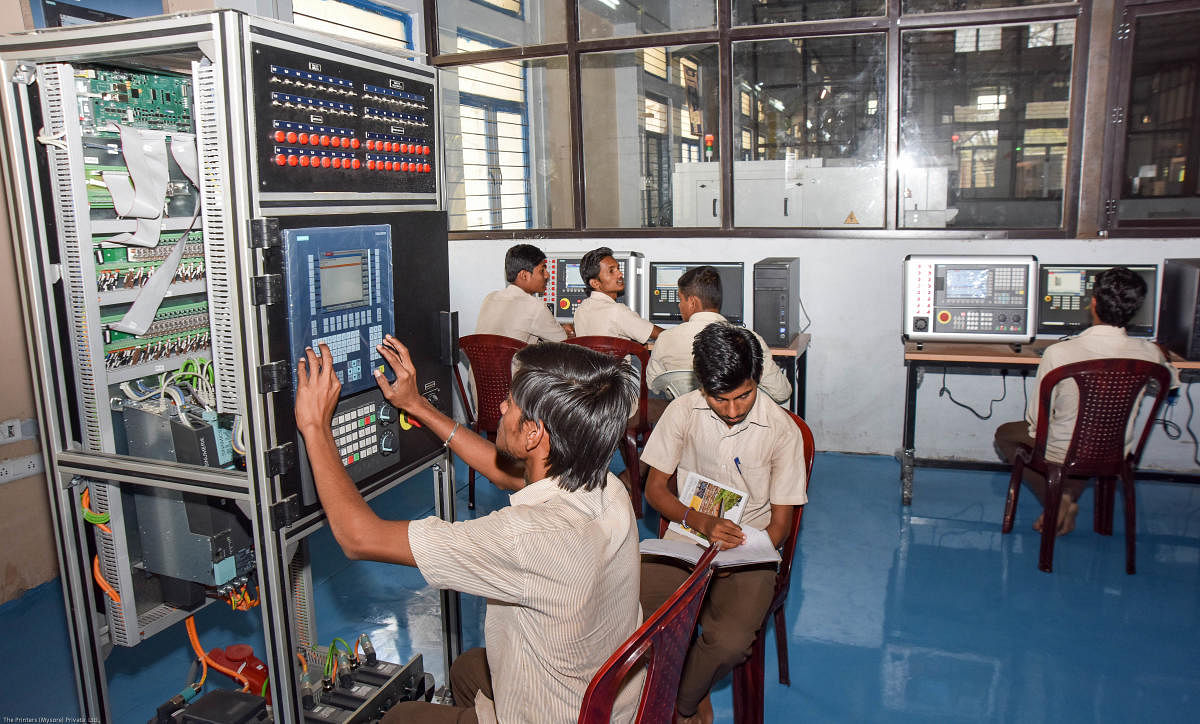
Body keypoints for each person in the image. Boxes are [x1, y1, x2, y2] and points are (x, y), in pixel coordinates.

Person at [294, 336, 643, 723]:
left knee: (401, 718)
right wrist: (417, 406)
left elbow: (359, 536)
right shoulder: (607, 488)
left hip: (557, 714)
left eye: (511, 400)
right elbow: (500, 470)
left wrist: (314, 425)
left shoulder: (527, 538)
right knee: (465, 671)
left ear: (533, 433)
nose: (501, 405)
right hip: (611, 703)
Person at [639, 323, 808, 724]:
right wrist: (697, 519)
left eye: (744, 395)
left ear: (758, 378)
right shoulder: (682, 412)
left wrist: (743, 554)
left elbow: (780, 526)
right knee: (625, 609)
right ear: (702, 384)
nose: (733, 410)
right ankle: (683, 693)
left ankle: (678, 704)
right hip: (687, 536)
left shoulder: (782, 431)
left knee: (730, 643)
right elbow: (655, 491)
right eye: (720, 399)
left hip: (750, 548)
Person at [994, 266, 1179, 536]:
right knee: (1085, 445)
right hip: (1116, 449)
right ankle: (1066, 497)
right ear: (1136, 308)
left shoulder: (1059, 353)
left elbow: (1036, 419)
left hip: (1061, 450)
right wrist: (1160, 352)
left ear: (1093, 303)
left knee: (1006, 434)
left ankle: (1058, 501)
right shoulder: (1150, 354)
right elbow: (1170, 381)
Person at [645, 265, 791, 404]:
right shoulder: (748, 341)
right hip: (734, 425)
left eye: (680, 299)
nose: (679, 305)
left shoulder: (664, 339)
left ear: (692, 302)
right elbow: (782, 393)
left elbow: (653, 385)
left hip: (687, 425)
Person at [475, 243, 573, 343]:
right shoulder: (535, 306)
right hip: (514, 359)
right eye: (542, 270)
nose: (547, 275)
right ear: (524, 275)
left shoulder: (490, 298)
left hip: (483, 358)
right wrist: (569, 332)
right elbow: (564, 342)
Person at [573, 246, 662, 342]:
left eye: (618, 268)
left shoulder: (580, 310)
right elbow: (661, 335)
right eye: (611, 271)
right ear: (595, 283)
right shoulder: (617, 311)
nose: (620, 274)